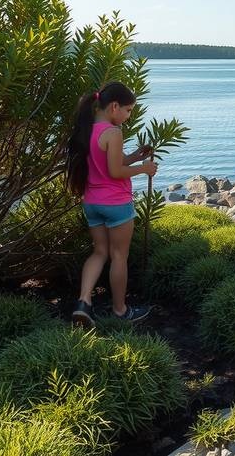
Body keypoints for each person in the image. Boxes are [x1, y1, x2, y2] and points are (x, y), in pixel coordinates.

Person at [65, 82, 158, 327]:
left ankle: (84, 302)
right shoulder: (114, 133)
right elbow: (116, 171)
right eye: (128, 111)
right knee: (119, 256)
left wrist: (135, 156)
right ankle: (121, 310)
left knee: (99, 252)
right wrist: (144, 168)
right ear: (114, 106)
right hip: (116, 204)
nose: (128, 117)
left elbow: (109, 163)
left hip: (92, 203)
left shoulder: (87, 130)